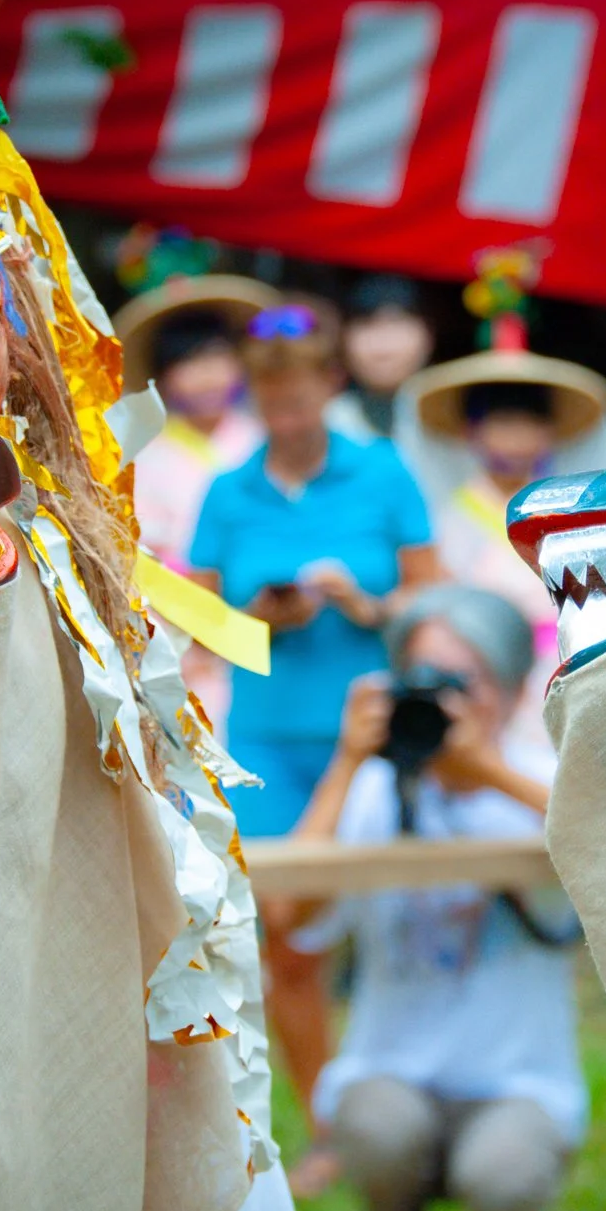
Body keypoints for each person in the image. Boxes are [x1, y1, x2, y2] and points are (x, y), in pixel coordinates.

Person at [187, 298, 442, 1157]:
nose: (287, 419)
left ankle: (419, 1112)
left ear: (331, 386)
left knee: (398, 935)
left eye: (300, 401)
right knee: (289, 940)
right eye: (271, 404)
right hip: (265, 739)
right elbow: (201, 629)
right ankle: (330, 1129)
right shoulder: (229, 491)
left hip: (373, 737)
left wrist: (371, 606)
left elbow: (434, 603)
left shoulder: (383, 473)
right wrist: (256, 616)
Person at [275, 586, 583, 1211]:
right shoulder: (373, 791)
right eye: (421, 681)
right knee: (374, 1128)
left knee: (505, 1176)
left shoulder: (548, 785)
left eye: (461, 682)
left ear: (507, 689)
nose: (441, 702)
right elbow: (290, 918)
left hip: (517, 1082)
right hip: (391, 1074)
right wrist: (349, 759)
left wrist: (487, 774)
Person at [393, 350, 606, 725]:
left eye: (530, 423)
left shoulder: (567, 510)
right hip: (482, 676)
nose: (518, 436)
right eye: (503, 422)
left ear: (549, 431)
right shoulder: (449, 519)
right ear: (471, 431)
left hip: (564, 668)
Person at [113, 274, 278, 572]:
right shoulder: (145, 455)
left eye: (217, 358)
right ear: (162, 377)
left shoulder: (264, 435)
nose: (206, 376)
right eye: (187, 363)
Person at [328, 274, 437, 442]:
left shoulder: (456, 422)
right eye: (366, 324)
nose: (382, 348)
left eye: (397, 323)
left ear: (429, 335)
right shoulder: (325, 421)